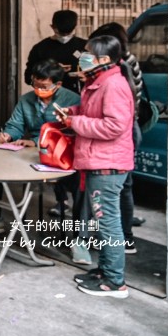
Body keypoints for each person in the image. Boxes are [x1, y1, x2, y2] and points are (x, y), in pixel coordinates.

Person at [56, 35, 134, 298]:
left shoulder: (113, 85)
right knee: (103, 223)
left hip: (108, 166)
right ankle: (105, 271)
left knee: (108, 223)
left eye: (89, 53)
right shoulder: (99, 82)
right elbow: (95, 114)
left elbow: (114, 126)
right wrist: (73, 114)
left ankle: (115, 282)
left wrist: (76, 124)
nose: (83, 57)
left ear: (104, 60)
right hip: (98, 161)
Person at [0, 59, 80, 235]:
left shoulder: (73, 100)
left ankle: (81, 234)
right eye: (35, 84)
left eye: (45, 86)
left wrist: (35, 140)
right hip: (32, 155)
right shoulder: (26, 100)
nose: (39, 89)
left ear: (58, 84)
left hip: (62, 156)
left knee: (80, 182)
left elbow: (71, 131)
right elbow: (16, 124)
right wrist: (8, 135)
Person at [89, 22, 143, 255]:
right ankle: (122, 241)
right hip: (127, 131)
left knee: (112, 202)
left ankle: (116, 259)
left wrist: (77, 121)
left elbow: (113, 123)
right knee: (120, 193)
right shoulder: (120, 68)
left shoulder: (114, 79)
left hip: (120, 137)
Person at [25, 9, 87, 94]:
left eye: (68, 33)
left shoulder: (85, 46)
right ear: (52, 27)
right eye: (61, 33)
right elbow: (28, 77)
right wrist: (51, 71)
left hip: (79, 96)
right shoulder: (40, 48)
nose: (65, 36)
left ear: (75, 27)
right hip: (49, 97)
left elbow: (96, 72)